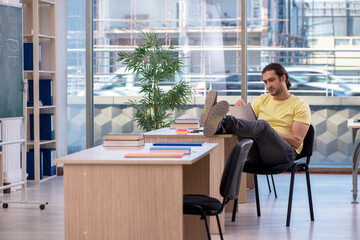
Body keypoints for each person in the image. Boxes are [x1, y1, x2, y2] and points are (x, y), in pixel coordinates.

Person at [201, 63, 311, 166]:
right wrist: (241, 110)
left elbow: (296, 142)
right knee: (247, 128)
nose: (268, 85)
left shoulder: (300, 106)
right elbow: (248, 125)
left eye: (271, 80)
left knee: (263, 126)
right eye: (265, 82)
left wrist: (269, 133)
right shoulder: (263, 99)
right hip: (258, 154)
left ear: (283, 78)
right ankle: (219, 125)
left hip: (284, 155)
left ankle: (222, 122)